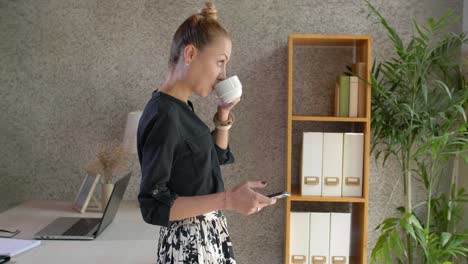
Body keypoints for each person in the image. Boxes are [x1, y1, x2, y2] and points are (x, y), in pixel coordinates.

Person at [137, 2, 277, 263]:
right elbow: (153, 204)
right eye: (220, 63)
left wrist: (223, 114)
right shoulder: (165, 115)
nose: (222, 75)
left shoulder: (180, 108)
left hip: (205, 237)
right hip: (190, 245)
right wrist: (228, 200)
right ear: (190, 54)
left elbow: (213, 157)